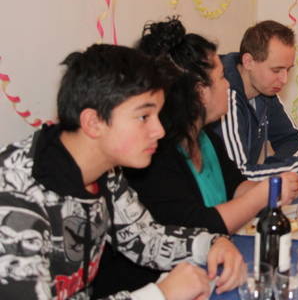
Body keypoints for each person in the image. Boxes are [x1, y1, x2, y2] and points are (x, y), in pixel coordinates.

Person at [0, 44, 245, 300]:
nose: (159, 131)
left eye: (157, 115)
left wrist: (210, 244)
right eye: (144, 116)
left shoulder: (104, 169)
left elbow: (143, 237)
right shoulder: (14, 200)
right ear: (93, 122)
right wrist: (160, 295)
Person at [92, 17, 298, 296]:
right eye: (222, 78)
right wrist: (264, 194)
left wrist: (270, 192)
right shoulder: (155, 155)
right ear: (199, 92)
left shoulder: (205, 137)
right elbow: (195, 225)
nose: (229, 86)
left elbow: (234, 185)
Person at [212, 20, 298, 180]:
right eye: (276, 70)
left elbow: (294, 140)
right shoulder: (225, 98)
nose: (284, 80)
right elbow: (238, 178)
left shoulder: (265, 90)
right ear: (248, 62)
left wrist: (272, 170)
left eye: (288, 70)